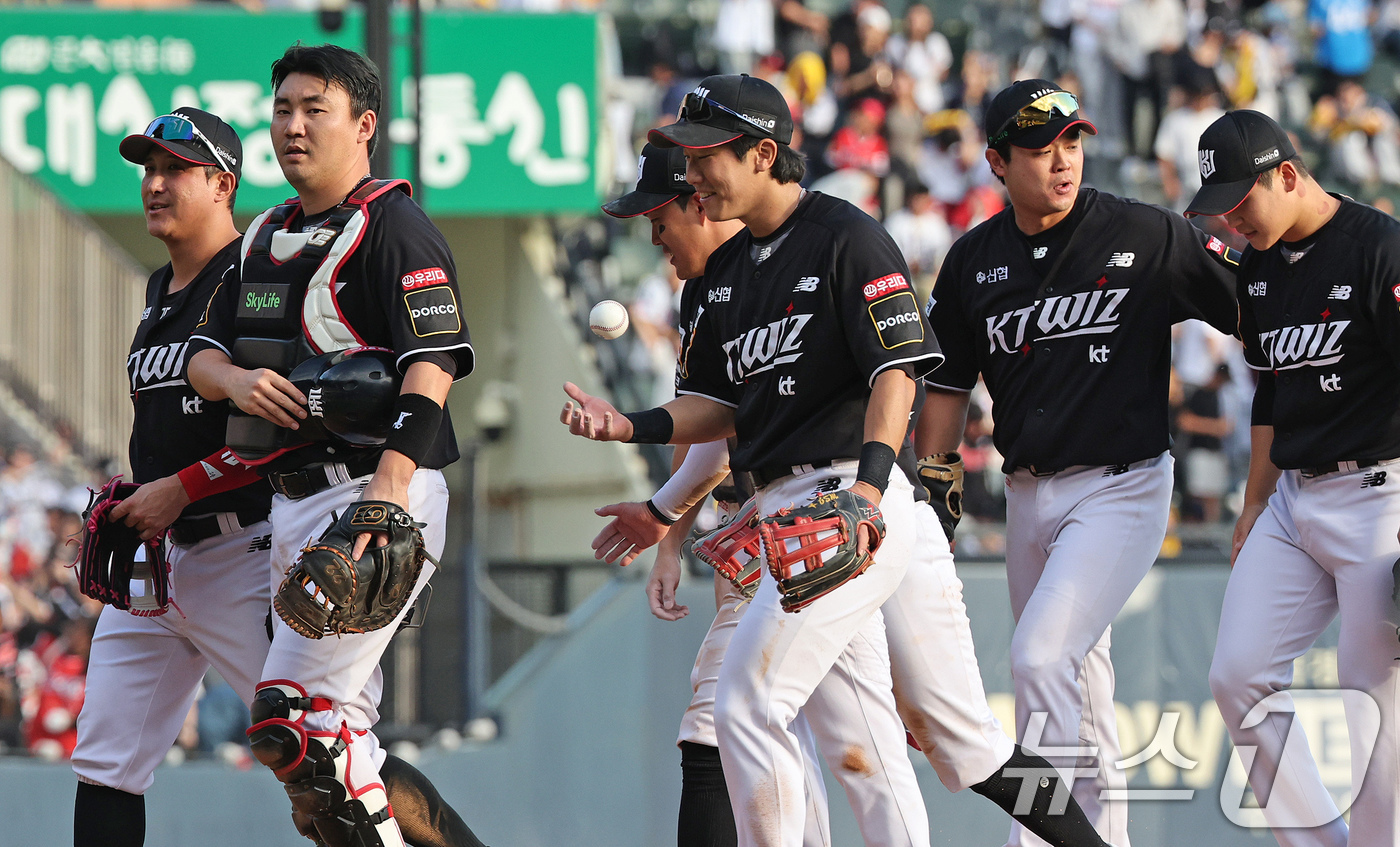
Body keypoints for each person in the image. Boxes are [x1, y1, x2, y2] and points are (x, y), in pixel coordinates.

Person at [568, 73, 1112, 847]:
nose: (690, 177)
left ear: (761, 154)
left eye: (702, 158)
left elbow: (898, 368)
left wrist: (865, 488)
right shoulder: (723, 277)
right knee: (946, 741)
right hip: (813, 509)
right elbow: (722, 410)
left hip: (857, 495)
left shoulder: (844, 235)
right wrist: (630, 425)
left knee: (750, 705)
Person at [919, 79, 1239, 847]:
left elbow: (1250, 307)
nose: (1063, 160)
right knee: (1079, 677)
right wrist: (935, 477)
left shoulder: (1146, 232)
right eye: (1038, 148)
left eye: (1072, 140)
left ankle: (1043, 839)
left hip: (1122, 486)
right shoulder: (971, 263)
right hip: (1028, 492)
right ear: (996, 162)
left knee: (1037, 659)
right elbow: (947, 383)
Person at [186, 44, 484, 847]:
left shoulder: (392, 222)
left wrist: (387, 490)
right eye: (282, 109)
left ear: (364, 126)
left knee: (295, 717)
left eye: (315, 109)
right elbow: (203, 353)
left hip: (374, 491)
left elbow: (434, 363)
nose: (292, 125)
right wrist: (235, 381)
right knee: (332, 752)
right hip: (290, 505)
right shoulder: (263, 236)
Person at [1189, 108, 1400, 847]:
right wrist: (1252, 502)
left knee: (1372, 702)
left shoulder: (1379, 248)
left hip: (1382, 494)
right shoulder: (1258, 272)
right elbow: (1271, 392)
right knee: (1237, 675)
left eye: (1242, 201)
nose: (1233, 220)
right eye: (1221, 207)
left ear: (1288, 173)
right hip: (1292, 499)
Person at [68, 108, 277, 847]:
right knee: (105, 760)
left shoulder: (256, 276)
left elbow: (281, 433)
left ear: (222, 183)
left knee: (324, 747)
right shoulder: (161, 287)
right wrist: (145, 488)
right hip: (157, 565)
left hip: (244, 551)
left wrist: (183, 486)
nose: (153, 184)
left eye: (174, 170)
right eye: (148, 169)